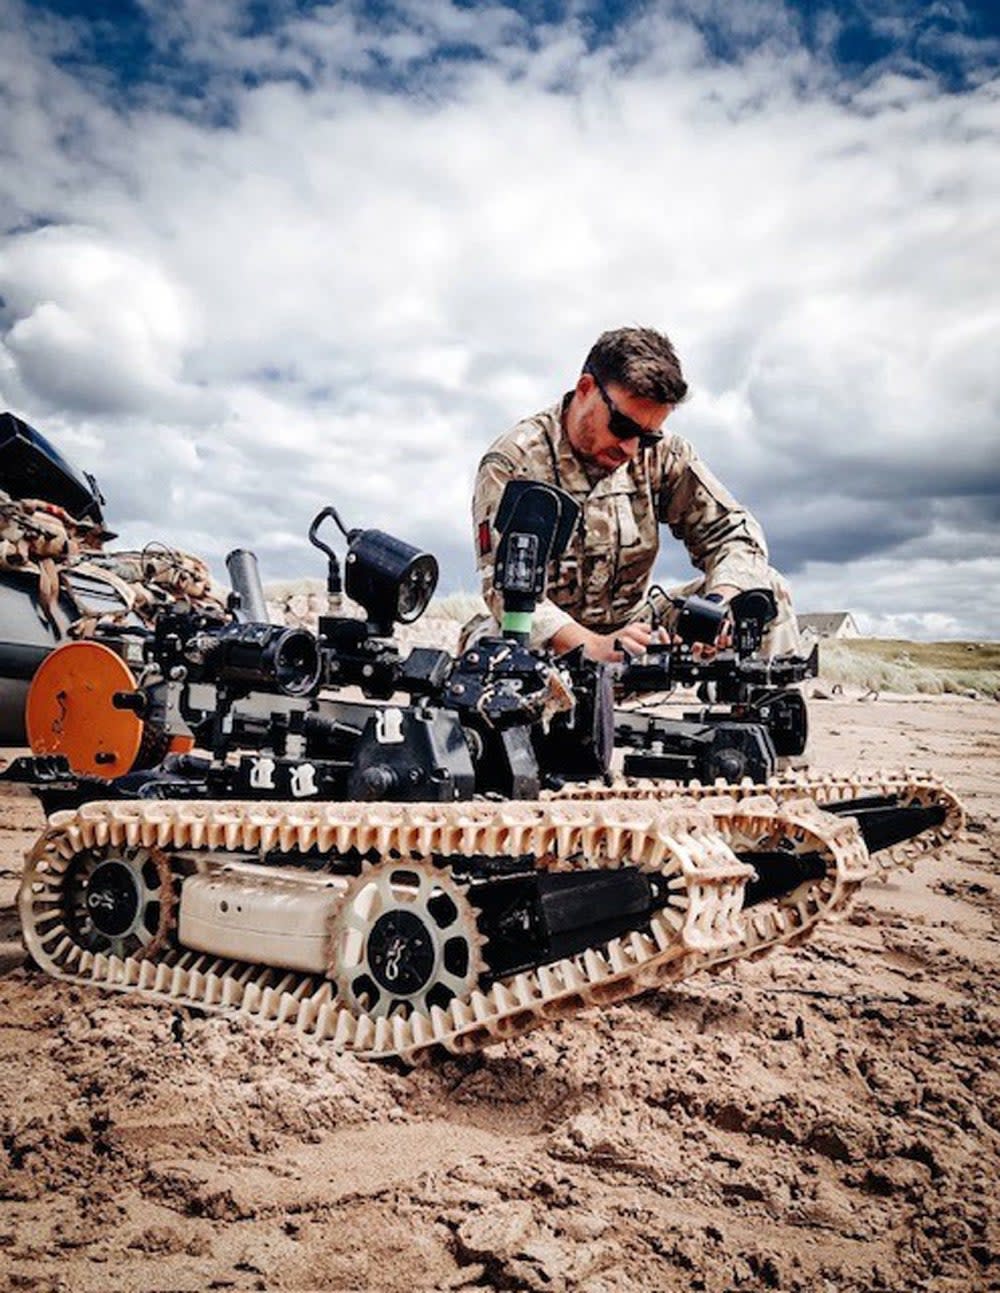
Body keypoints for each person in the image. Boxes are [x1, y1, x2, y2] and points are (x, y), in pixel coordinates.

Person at [464, 326, 799, 661]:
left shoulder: (664, 456)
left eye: (648, 436)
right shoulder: (513, 462)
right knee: (489, 646)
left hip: (638, 639)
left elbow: (733, 533)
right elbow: (502, 588)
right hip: (551, 649)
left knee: (766, 589)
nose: (631, 447)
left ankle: (761, 712)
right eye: (623, 428)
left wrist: (716, 604)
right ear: (585, 389)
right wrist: (592, 646)